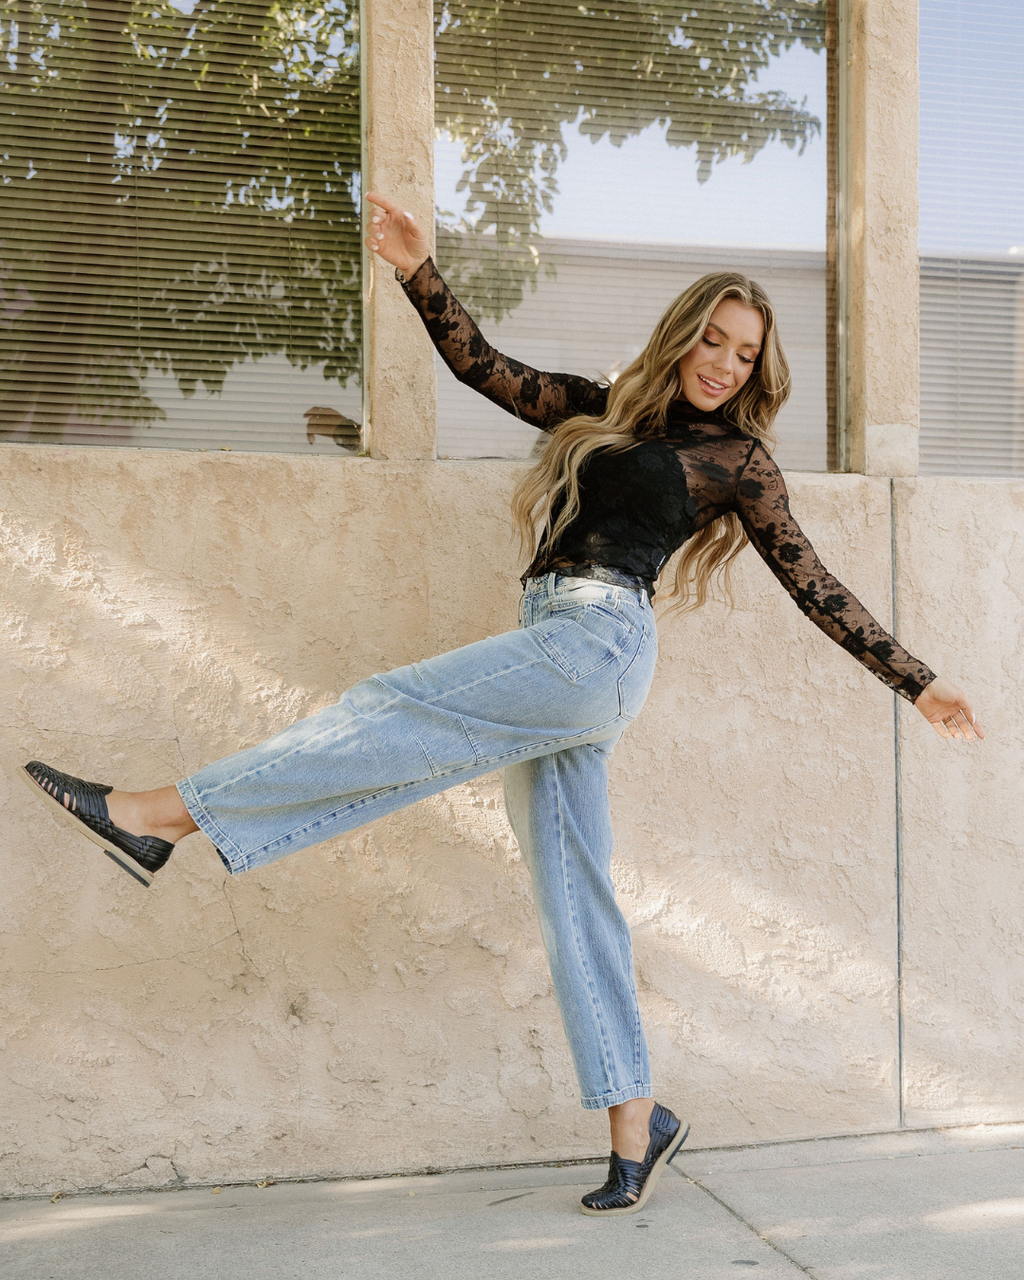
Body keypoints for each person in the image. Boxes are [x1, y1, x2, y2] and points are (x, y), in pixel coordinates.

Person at [20, 191, 984, 1218]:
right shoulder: (599, 406)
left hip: (597, 643)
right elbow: (484, 365)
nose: (724, 363)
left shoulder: (737, 463)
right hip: (554, 638)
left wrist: (917, 681)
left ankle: (157, 813)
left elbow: (815, 583)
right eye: (713, 338)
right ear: (684, 333)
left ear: (755, 371)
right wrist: (414, 269)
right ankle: (635, 1114)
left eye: (745, 354)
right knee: (573, 892)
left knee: (390, 705)